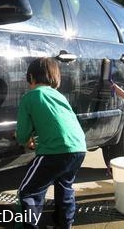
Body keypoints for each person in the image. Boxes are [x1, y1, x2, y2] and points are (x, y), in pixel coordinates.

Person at [15, 57, 87, 229]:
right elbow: (59, 123)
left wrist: (23, 140)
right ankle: (64, 225)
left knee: (28, 191)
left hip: (54, 151)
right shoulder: (60, 96)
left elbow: (23, 133)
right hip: (78, 148)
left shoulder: (30, 97)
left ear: (31, 78)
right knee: (65, 188)